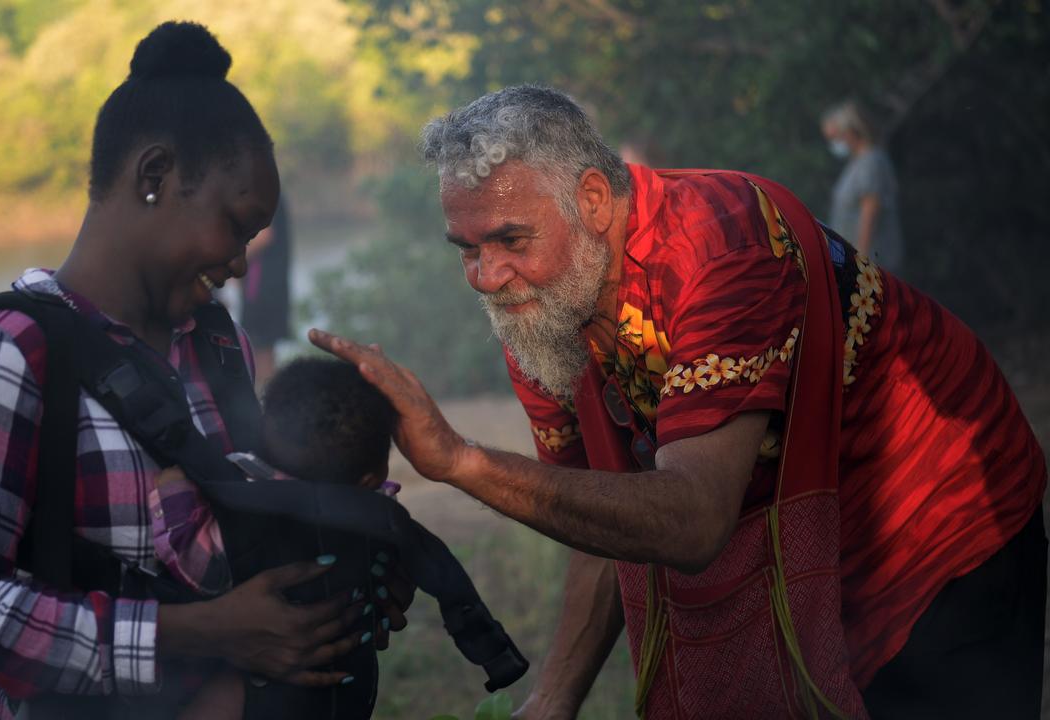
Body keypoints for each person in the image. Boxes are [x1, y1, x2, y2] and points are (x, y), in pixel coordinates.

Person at [310, 85, 1046, 718]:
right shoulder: (539, 309)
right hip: (815, 550)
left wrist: (464, 462)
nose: (485, 276)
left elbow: (690, 520)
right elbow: (602, 510)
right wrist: (556, 697)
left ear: (593, 200)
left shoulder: (722, 249)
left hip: (942, 520)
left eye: (508, 238)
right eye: (465, 249)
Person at [0, 22, 405, 719]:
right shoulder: (10, 350)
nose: (239, 264)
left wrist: (343, 563)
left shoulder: (216, 342)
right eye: (236, 226)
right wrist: (202, 633)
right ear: (154, 176)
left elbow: (242, 528)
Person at [156, 356, 399, 719]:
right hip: (351, 679)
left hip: (262, 687)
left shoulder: (250, 509)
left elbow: (200, 570)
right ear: (369, 476)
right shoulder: (377, 513)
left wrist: (172, 494)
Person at [821, 100, 904, 273]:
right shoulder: (856, 165)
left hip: (871, 267)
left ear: (851, 132)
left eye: (836, 136)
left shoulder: (871, 162)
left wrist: (860, 262)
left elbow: (870, 212)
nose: (835, 143)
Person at [239, 193, 292, 384]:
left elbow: (265, 235)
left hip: (262, 290)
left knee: (261, 353)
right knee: (260, 350)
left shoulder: (266, 193)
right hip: (263, 288)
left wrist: (229, 258)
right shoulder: (269, 189)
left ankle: (266, 406)